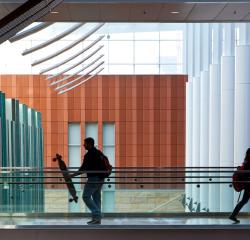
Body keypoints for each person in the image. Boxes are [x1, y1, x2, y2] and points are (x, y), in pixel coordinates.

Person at [68, 137, 104, 225]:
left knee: (86, 196)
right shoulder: (99, 153)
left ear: (90, 144)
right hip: (101, 178)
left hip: (93, 178)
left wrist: (72, 175)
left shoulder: (89, 155)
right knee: (96, 198)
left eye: (85, 144)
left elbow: (83, 169)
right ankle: (96, 219)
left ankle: (97, 215)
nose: (84, 145)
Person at [229, 148, 250, 223]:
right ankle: (233, 215)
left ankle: (233, 215)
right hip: (248, 184)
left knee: (244, 200)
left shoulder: (246, 161)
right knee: (244, 200)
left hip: (247, 184)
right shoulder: (248, 162)